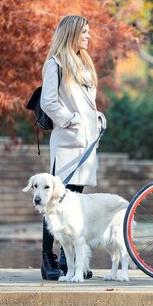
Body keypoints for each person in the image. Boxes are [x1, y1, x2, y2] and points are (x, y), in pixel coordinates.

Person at [38, 15, 106, 280]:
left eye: (89, 32)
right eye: (85, 32)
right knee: (52, 202)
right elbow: (48, 102)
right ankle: (48, 259)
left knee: (74, 203)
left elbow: (88, 103)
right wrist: (72, 120)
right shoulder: (55, 64)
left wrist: (98, 119)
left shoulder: (84, 63)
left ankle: (70, 261)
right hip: (67, 143)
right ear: (72, 33)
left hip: (87, 143)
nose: (89, 36)